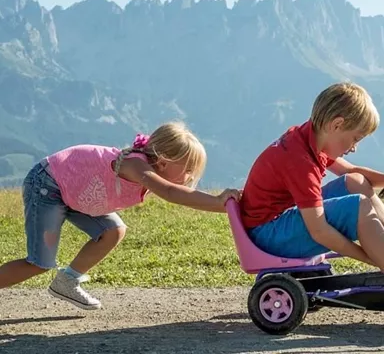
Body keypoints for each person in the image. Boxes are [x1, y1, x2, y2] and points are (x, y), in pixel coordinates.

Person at [0, 121, 241, 310]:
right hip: (48, 185)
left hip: (76, 194)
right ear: (164, 162)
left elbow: (175, 190)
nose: (190, 177)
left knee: (113, 230)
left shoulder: (147, 170)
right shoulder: (136, 166)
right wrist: (219, 203)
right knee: (39, 263)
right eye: (188, 169)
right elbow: (171, 192)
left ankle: (67, 281)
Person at [240, 82, 384, 271]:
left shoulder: (311, 136)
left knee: (355, 181)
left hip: (280, 222)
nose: (354, 147)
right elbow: (319, 231)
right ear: (337, 125)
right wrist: (369, 257)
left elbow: (350, 172)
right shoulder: (301, 162)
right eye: (355, 138)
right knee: (359, 207)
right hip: (270, 236)